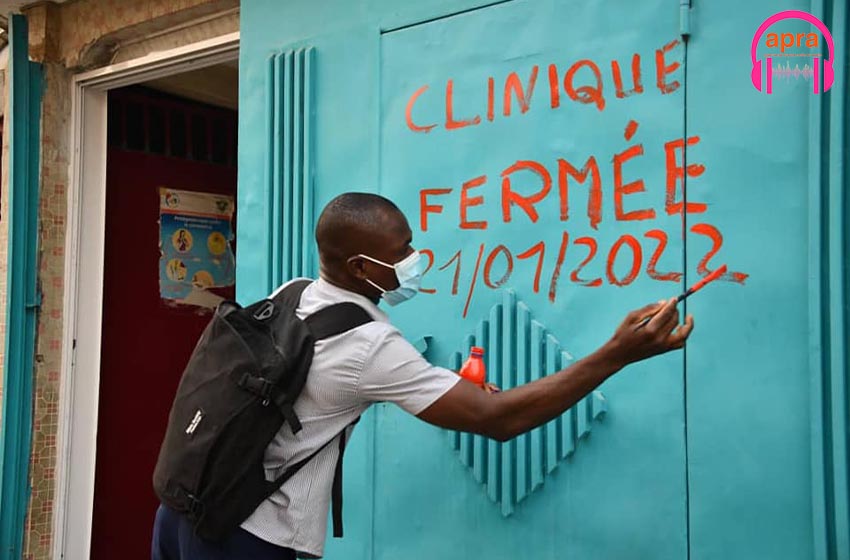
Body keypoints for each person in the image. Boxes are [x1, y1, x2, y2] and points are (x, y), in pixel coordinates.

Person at [151, 192, 694, 559]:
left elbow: (321, 382)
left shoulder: (293, 293)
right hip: (247, 537)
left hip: (180, 514)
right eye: (403, 249)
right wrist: (616, 353)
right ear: (361, 268)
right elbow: (497, 421)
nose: (414, 257)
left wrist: (445, 384)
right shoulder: (369, 344)